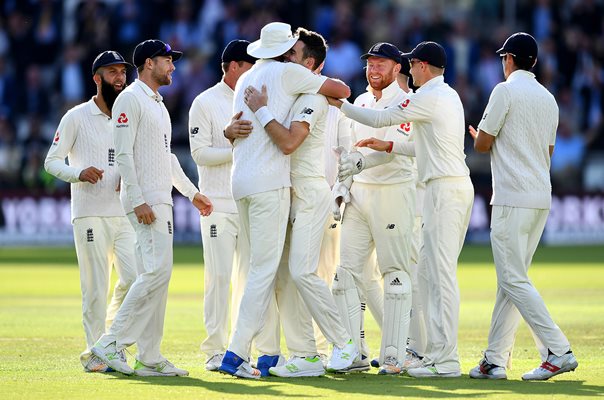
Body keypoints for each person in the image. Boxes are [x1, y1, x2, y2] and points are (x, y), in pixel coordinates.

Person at [217, 22, 354, 379]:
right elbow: (337, 92)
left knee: (286, 272)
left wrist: (249, 119)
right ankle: (302, 354)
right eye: (290, 51)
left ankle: (337, 343)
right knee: (275, 274)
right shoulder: (289, 77)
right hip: (274, 187)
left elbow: (291, 140)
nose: (292, 59)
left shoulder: (249, 79)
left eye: (297, 54)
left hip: (275, 187)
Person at [333, 41, 474, 378]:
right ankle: (429, 354)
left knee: (433, 278)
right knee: (426, 276)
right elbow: (416, 145)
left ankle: (441, 358)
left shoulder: (426, 96)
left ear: (422, 65)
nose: (409, 70)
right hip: (441, 186)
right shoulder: (446, 95)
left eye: (411, 64)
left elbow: (383, 117)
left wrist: (339, 104)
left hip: (438, 188)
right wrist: (389, 144)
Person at [91, 39, 213, 377]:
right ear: (148, 63)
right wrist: (138, 198)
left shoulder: (157, 103)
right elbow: (123, 155)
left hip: (160, 197)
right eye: (167, 61)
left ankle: (149, 356)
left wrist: (192, 193)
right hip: (145, 200)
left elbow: (166, 157)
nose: (173, 67)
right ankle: (111, 342)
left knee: (157, 276)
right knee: (158, 272)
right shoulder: (130, 99)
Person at [468, 32, 578, 381]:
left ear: (510, 60)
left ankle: (557, 350)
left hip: (512, 198)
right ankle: (494, 359)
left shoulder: (504, 91)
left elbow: (483, 145)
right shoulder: (548, 98)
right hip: (539, 198)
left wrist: (479, 138)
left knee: (513, 278)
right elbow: (547, 153)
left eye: (504, 58)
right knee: (510, 279)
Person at [44, 51, 137, 373]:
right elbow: (51, 161)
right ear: (97, 78)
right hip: (89, 212)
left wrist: (130, 176)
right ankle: (96, 353)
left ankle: (110, 342)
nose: (120, 78)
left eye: (123, 72)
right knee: (95, 286)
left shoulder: (129, 114)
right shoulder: (76, 116)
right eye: (112, 72)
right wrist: (78, 172)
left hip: (124, 213)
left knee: (137, 279)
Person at [329, 42, 417, 375]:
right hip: (359, 196)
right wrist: (342, 188)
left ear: (397, 68)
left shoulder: (406, 103)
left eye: (381, 64)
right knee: (344, 276)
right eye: (370, 64)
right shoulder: (362, 103)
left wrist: (360, 161)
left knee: (394, 275)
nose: (373, 69)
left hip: (393, 193)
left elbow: (393, 150)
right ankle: (354, 353)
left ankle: (394, 356)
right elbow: (350, 155)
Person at [188, 39, 276, 372]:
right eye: (251, 64)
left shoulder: (257, 97)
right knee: (219, 278)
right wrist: (231, 142)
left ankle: (241, 350)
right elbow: (200, 154)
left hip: (251, 201)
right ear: (236, 66)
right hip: (217, 204)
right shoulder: (205, 102)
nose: (257, 71)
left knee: (251, 279)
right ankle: (214, 350)